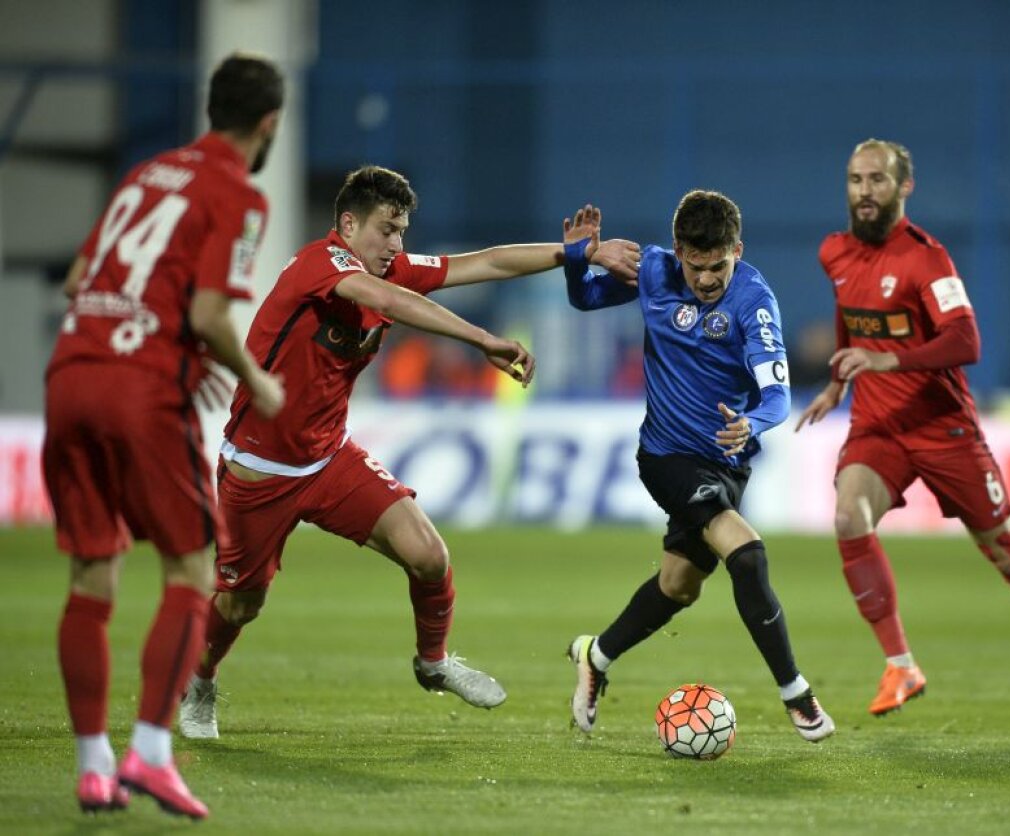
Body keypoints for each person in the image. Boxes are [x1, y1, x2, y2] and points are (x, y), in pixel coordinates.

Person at [178, 165, 640, 738]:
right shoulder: (318, 266)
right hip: (260, 470)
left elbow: (486, 262)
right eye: (387, 229)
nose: (397, 244)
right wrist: (484, 340)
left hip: (328, 458)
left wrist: (579, 256)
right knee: (241, 604)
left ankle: (433, 661)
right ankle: (199, 684)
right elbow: (388, 302)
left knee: (428, 555)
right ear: (348, 224)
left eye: (402, 231)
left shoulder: (387, 267)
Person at [795, 139, 1010, 735]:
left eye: (877, 180)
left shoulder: (926, 260)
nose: (864, 191)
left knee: (1008, 555)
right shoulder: (833, 251)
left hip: (944, 429)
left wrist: (887, 362)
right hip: (879, 426)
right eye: (855, 179)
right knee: (848, 516)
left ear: (903, 187)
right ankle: (900, 665)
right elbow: (849, 313)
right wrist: (839, 380)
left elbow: (967, 342)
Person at [43, 53, 287, 820]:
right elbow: (212, 315)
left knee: (91, 573)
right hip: (139, 388)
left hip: (70, 374)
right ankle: (150, 754)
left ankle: (92, 767)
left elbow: (78, 278)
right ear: (270, 125)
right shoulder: (238, 195)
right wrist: (255, 379)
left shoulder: (146, 176)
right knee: (190, 568)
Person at [562, 194, 836, 743]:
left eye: (719, 266)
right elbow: (587, 297)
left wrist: (752, 424)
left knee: (678, 586)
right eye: (696, 265)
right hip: (665, 456)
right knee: (748, 554)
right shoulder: (655, 270)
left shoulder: (755, 302)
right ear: (680, 252)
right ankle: (796, 694)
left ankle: (596, 655)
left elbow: (777, 394)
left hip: (726, 461)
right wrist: (575, 259)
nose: (707, 279)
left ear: (738, 249)